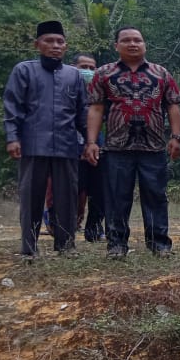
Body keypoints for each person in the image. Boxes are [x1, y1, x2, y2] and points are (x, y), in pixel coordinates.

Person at [83, 27, 180, 259]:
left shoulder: (161, 73)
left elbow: (172, 106)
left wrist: (176, 138)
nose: (132, 44)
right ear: (116, 45)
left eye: (137, 40)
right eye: (126, 40)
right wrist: (91, 142)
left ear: (144, 44)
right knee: (117, 197)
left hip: (154, 146)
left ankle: (159, 244)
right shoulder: (104, 73)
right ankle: (117, 245)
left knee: (156, 196)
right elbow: (96, 108)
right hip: (117, 146)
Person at [3, 21, 88, 261]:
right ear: (37, 44)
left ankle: (66, 245)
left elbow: (83, 112)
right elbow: (13, 107)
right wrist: (12, 138)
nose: (55, 46)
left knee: (67, 197)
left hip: (67, 145)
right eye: (49, 41)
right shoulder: (24, 70)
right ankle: (29, 248)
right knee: (31, 196)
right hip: (32, 143)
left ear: (66, 46)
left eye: (60, 42)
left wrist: (90, 142)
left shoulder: (74, 75)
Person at [73, 53, 106, 242]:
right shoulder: (67, 87)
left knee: (98, 187)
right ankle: (66, 224)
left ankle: (94, 228)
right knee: (75, 188)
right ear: (73, 67)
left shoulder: (101, 88)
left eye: (92, 68)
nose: (88, 71)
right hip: (71, 142)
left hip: (97, 141)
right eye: (83, 67)